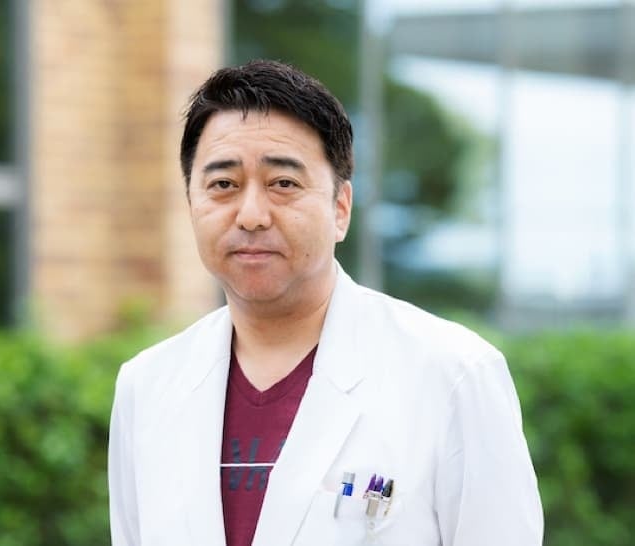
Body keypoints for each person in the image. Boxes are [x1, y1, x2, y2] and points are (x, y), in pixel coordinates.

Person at [108, 59, 543, 546]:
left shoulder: (453, 375)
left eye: (283, 183)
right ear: (191, 204)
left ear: (340, 208)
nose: (251, 215)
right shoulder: (147, 388)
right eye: (223, 185)